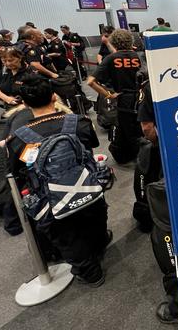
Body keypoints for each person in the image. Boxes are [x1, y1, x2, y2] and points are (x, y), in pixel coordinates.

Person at [6, 75, 110, 286]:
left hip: (50, 199)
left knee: (66, 235)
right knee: (95, 217)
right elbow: (91, 145)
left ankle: (91, 274)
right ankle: (98, 245)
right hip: (87, 186)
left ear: (24, 104)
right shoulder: (79, 122)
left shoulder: (19, 138)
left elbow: (16, 170)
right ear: (55, 97)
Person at [87, 29, 143, 163]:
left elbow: (90, 81)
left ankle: (140, 160)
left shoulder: (111, 58)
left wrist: (108, 95)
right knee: (142, 128)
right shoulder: (139, 56)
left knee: (129, 131)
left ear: (113, 43)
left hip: (123, 100)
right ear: (131, 41)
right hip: (143, 97)